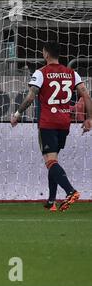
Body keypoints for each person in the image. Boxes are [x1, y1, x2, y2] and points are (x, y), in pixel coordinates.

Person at [11, 41, 92, 212]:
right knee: (53, 160)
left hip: (48, 122)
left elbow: (31, 97)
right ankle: (51, 200)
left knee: (50, 161)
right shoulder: (72, 73)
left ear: (46, 54)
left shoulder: (41, 73)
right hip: (64, 123)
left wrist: (17, 114)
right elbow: (86, 95)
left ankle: (71, 191)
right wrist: (88, 118)